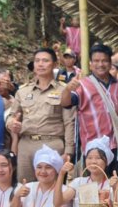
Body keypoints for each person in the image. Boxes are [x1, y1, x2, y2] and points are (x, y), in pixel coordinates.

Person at [9, 48, 75, 182]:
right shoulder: (23, 91)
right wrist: (11, 123)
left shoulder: (63, 90)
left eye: (45, 61)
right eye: (37, 61)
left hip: (52, 144)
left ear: (55, 65)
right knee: (25, 188)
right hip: (26, 145)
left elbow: (69, 122)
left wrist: (68, 151)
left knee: (51, 188)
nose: (40, 64)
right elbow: (12, 115)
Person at [60, 44, 118, 166]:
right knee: (94, 184)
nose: (100, 64)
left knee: (116, 182)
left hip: (116, 145)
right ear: (90, 64)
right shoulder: (83, 84)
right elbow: (66, 103)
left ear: (110, 63)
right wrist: (67, 90)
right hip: (92, 148)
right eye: (96, 61)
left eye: (104, 61)